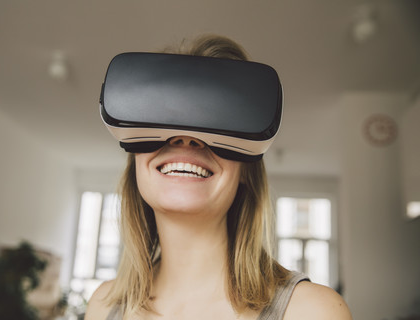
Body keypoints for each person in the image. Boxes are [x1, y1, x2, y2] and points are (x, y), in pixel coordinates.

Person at [85, 35, 352, 320]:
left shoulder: (312, 311)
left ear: (246, 172)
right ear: (135, 165)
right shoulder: (103, 306)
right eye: (165, 116)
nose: (186, 139)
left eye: (213, 120)